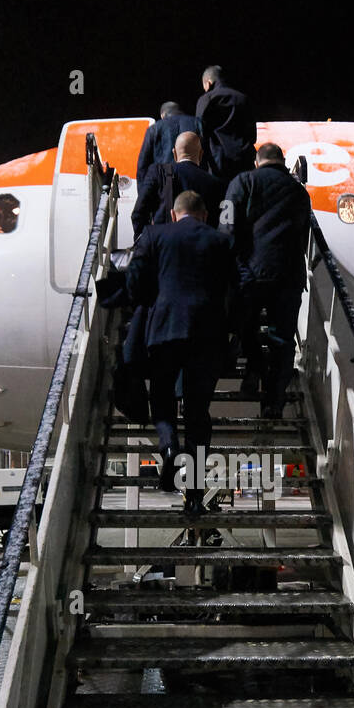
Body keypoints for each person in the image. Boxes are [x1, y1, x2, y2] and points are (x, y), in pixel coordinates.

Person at [126, 189, 237, 516]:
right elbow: (235, 289)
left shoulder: (155, 234)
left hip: (166, 329)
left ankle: (169, 446)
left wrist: (153, 301)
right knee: (198, 414)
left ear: (174, 214)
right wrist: (231, 330)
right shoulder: (220, 241)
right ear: (204, 214)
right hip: (208, 334)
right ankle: (194, 497)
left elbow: (134, 282)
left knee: (161, 398)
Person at [223, 142, 311, 417]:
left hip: (250, 274)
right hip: (288, 275)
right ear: (283, 162)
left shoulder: (243, 181)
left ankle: (254, 369)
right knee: (282, 339)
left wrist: (232, 265)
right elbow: (303, 233)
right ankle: (274, 400)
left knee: (243, 327)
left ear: (257, 162)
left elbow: (227, 223)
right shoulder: (299, 192)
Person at [131, 131, 223, 238]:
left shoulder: (158, 172)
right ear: (201, 154)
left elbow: (138, 213)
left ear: (174, 153)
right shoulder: (214, 183)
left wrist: (145, 242)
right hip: (200, 247)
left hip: (164, 246)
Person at [195, 65, 257, 184]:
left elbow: (200, 132)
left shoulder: (206, 99)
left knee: (223, 200)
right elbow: (252, 135)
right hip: (244, 161)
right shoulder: (243, 98)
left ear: (208, 83)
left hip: (218, 164)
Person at [136, 101, 202, 186]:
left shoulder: (155, 128)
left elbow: (143, 163)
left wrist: (142, 191)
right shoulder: (197, 123)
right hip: (194, 181)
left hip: (165, 184)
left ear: (163, 115)